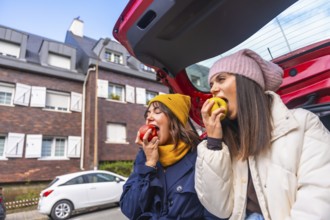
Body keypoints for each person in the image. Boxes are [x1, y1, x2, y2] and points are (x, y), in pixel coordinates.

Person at [195, 49, 330, 220]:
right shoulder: (228, 142)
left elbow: (319, 198)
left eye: (221, 79)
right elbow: (219, 208)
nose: (213, 89)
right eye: (211, 84)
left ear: (247, 82)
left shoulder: (302, 124)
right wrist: (213, 142)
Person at [120, 93, 222, 220]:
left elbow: (215, 210)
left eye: (157, 112)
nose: (149, 117)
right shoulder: (144, 157)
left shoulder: (200, 155)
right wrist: (149, 164)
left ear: (174, 120)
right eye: (147, 114)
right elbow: (130, 209)